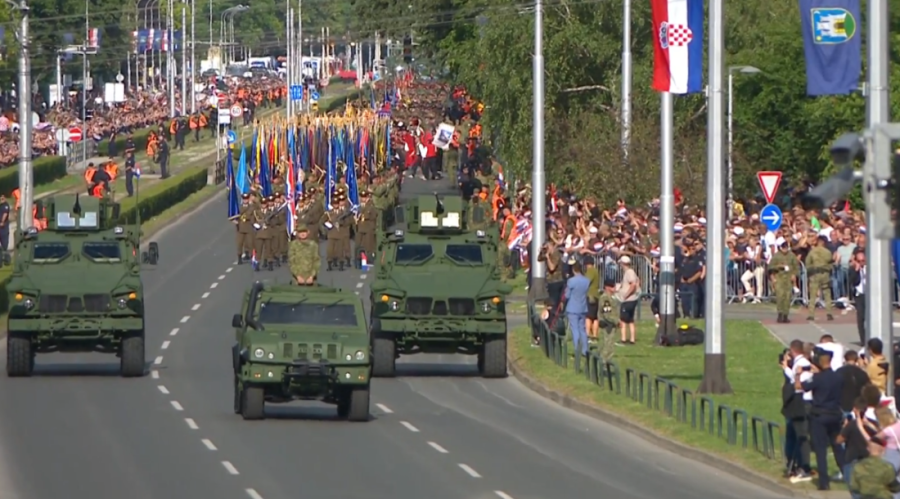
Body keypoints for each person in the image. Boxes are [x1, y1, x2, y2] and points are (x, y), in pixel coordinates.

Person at [796, 347, 845, 491]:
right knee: (837, 447)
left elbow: (800, 386)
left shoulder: (817, 378)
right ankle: (847, 475)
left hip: (819, 415)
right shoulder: (838, 377)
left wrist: (799, 374)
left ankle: (824, 483)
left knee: (820, 449)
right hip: (835, 415)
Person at [564, 260, 590, 360]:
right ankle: (585, 349)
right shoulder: (586, 281)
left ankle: (576, 349)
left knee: (575, 330)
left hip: (572, 307)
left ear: (573, 269)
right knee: (582, 329)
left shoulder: (571, 281)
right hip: (583, 307)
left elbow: (567, 295)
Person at [805, 235, 835, 321]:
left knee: (813, 295)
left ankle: (811, 314)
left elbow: (807, 263)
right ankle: (829, 313)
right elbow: (831, 264)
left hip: (815, 275)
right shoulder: (827, 252)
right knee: (827, 294)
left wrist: (810, 271)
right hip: (825, 274)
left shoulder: (812, 252)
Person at [770, 238, 799, 323]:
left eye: (786, 247)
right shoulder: (776, 256)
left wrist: (794, 274)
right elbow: (770, 267)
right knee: (780, 297)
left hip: (788, 279)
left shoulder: (791, 255)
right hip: (779, 278)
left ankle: (786, 315)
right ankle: (780, 314)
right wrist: (779, 266)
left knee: (787, 297)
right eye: (783, 247)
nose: (785, 249)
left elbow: (796, 267)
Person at [617, 255, 640, 344]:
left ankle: (623, 339)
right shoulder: (630, 272)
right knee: (630, 320)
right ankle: (632, 339)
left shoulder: (629, 272)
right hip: (632, 299)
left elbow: (633, 284)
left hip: (628, 300)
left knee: (623, 320)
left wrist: (626, 295)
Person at [597, 279, 618, 364]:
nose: (614, 288)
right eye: (612, 286)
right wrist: (616, 321)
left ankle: (603, 364)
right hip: (607, 325)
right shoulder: (605, 298)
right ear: (607, 287)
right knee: (607, 347)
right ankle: (603, 365)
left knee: (608, 346)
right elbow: (607, 314)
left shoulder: (609, 297)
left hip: (610, 325)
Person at [850, 248, 867, 345]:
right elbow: (853, 282)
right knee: (861, 318)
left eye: (863, 261)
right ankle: (863, 340)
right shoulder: (853, 269)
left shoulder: (871, 268)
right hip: (859, 295)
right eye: (859, 261)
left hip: (869, 295)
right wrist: (856, 271)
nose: (861, 263)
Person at [583, 257, 600, 342]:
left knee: (588, 317)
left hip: (590, 296)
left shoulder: (590, 271)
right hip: (596, 296)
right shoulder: (596, 271)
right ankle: (595, 335)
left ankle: (588, 335)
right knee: (595, 318)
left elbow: (586, 281)